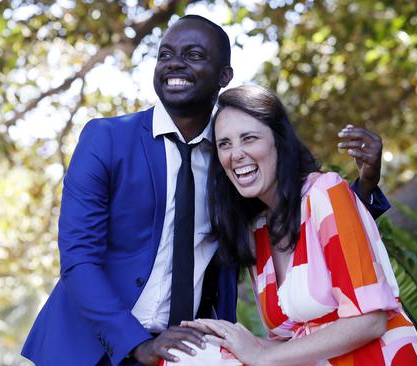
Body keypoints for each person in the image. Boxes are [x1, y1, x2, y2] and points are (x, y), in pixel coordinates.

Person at [21, 15, 389, 366]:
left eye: (193, 55)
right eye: (165, 54)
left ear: (224, 75)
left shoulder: (231, 158)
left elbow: (298, 217)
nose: (175, 64)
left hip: (184, 354)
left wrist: (366, 185)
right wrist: (138, 344)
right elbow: (78, 258)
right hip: (92, 350)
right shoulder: (106, 139)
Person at [178, 84, 417, 365]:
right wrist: (231, 342)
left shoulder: (325, 192)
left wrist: (260, 354)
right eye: (225, 144)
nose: (236, 154)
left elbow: (370, 320)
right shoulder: (257, 231)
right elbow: (291, 340)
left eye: (248, 138)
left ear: (279, 141)